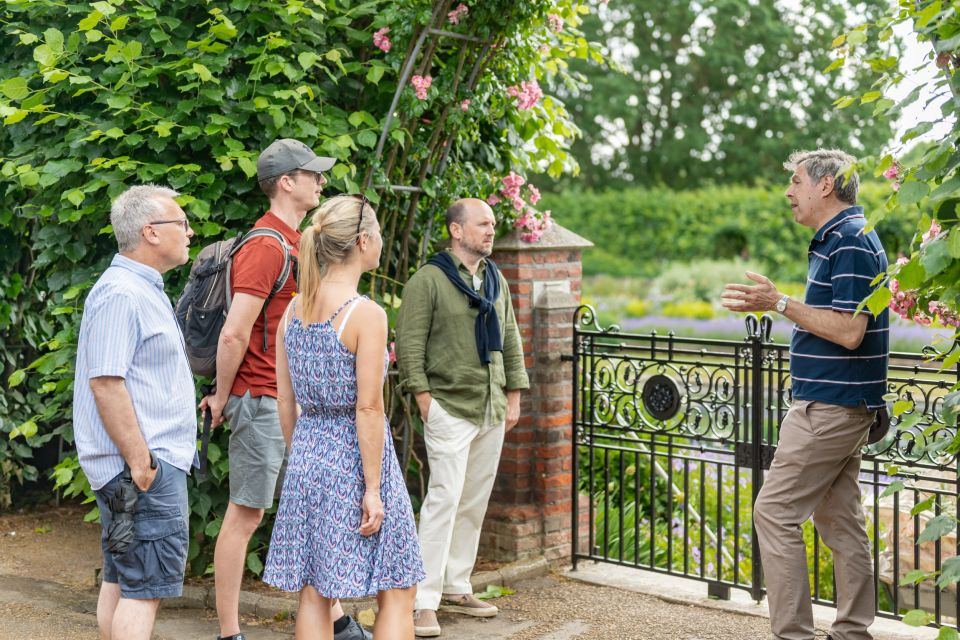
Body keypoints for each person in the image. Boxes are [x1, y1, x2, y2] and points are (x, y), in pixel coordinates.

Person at [199, 139, 369, 640]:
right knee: (246, 515)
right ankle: (229, 633)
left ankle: (334, 619)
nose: (321, 180)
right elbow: (234, 332)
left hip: (291, 404)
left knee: (311, 511)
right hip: (262, 399)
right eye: (311, 173)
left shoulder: (299, 242)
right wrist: (224, 395)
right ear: (285, 182)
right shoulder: (266, 246)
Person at [721, 149, 889, 640]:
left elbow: (850, 331)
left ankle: (794, 635)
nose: (789, 192)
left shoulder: (850, 241)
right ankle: (853, 631)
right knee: (840, 520)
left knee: (773, 512)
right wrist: (784, 302)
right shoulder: (836, 240)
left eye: (796, 181)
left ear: (826, 184)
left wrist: (778, 302)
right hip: (839, 404)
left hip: (830, 407)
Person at [262, 194, 424, 640]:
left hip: (309, 455)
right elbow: (369, 408)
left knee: (315, 591)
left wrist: (304, 459)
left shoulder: (291, 313)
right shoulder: (365, 314)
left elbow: (284, 401)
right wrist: (372, 488)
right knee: (396, 588)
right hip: (357, 458)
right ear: (363, 241)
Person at [395, 198, 530, 637]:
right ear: (456, 230)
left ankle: (456, 585)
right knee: (443, 500)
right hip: (448, 406)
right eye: (483, 224)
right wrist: (424, 399)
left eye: (493, 224)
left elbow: (509, 335)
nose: (491, 230)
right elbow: (410, 343)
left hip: (490, 405)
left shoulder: (494, 279)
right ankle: (423, 601)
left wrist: (513, 394)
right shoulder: (429, 280)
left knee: (472, 502)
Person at [73, 185, 198, 640]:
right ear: (150, 232)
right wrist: (141, 462)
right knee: (144, 588)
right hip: (142, 468)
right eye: (181, 223)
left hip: (142, 465)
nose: (190, 231)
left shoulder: (139, 288)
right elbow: (106, 382)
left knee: (122, 579)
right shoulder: (122, 293)